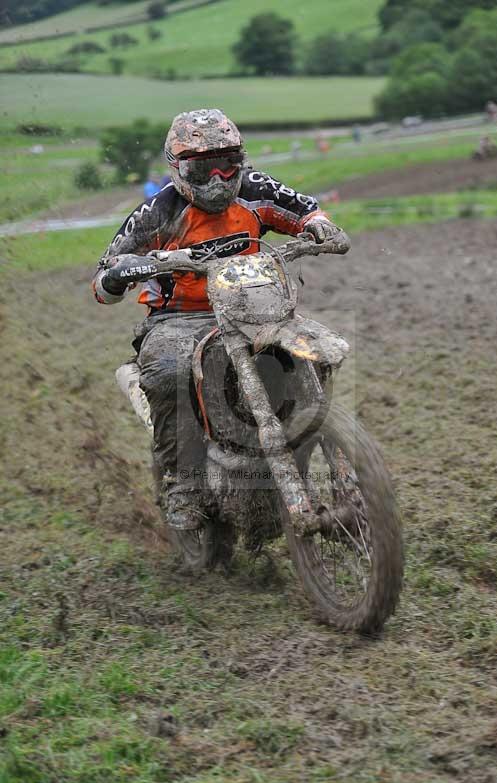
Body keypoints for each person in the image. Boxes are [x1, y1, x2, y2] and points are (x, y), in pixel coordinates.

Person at [93, 108, 342, 541]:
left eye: (228, 166)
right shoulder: (157, 211)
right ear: (178, 168)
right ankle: (183, 484)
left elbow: (305, 209)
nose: (218, 180)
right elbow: (103, 281)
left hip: (257, 307)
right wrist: (119, 273)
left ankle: (329, 449)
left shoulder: (257, 188)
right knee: (170, 371)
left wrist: (319, 226)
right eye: (202, 169)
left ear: (240, 161)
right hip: (179, 319)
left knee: (312, 348)